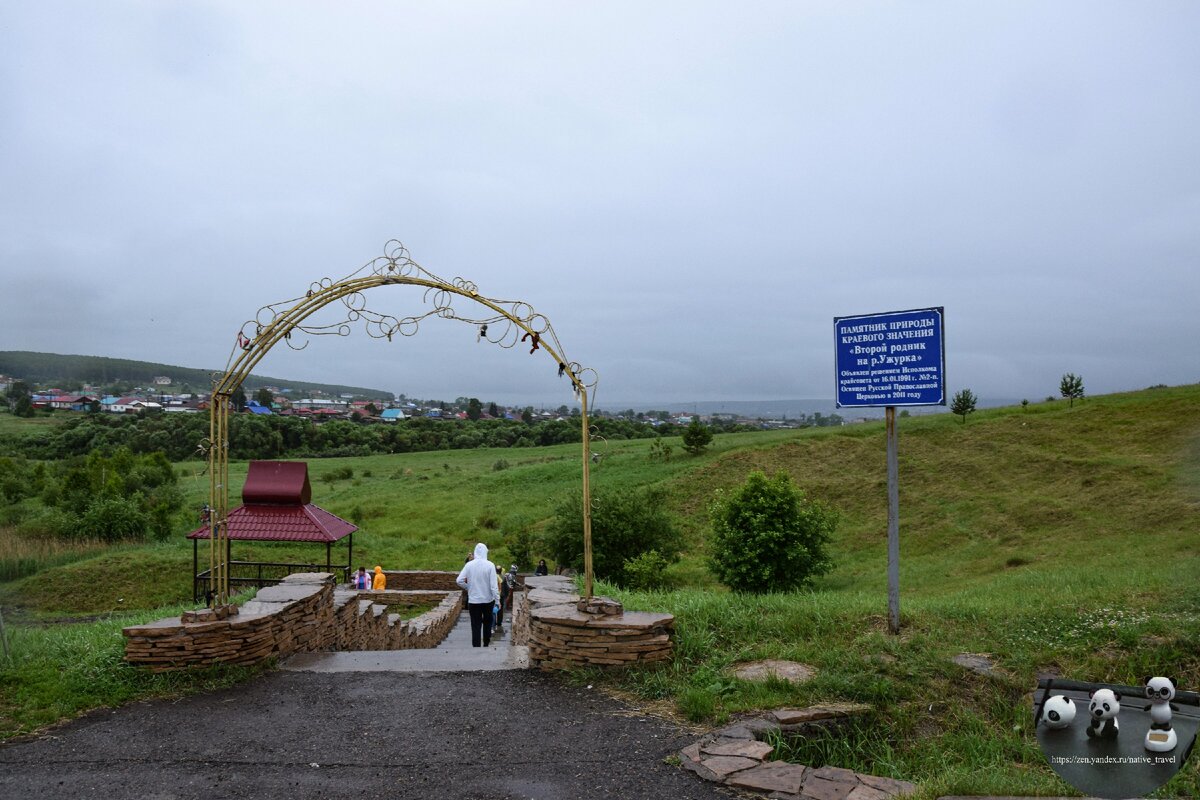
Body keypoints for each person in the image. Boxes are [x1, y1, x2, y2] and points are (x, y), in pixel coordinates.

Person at [456, 542, 499, 647]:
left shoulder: (469, 565)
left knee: (475, 625)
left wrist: (469, 588)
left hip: (474, 601)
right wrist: (497, 601)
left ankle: (476, 647)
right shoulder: (490, 565)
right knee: (487, 623)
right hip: (488, 600)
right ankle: (486, 644)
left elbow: (459, 580)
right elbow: (494, 586)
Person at [495, 565, 508, 632]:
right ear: (501, 570)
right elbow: (506, 587)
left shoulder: (493, 577)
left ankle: (493, 622)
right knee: (500, 609)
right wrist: (506, 595)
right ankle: (499, 622)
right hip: (501, 595)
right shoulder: (503, 577)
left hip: (494, 595)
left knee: (494, 609)